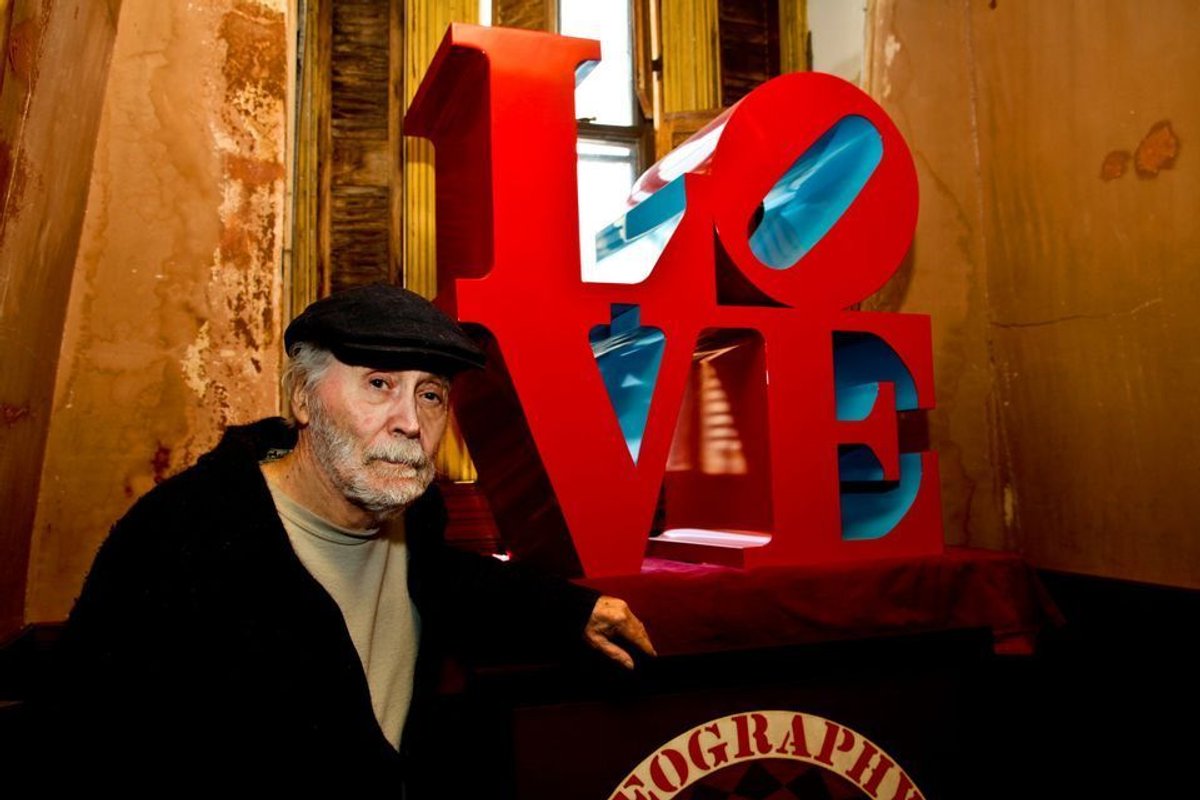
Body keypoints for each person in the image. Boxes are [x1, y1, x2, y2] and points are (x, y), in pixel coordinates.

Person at [42, 284, 654, 784]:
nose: (411, 422)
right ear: (303, 399)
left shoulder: (412, 517)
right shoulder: (179, 545)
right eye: (380, 383)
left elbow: (447, 580)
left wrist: (571, 610)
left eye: (431, 394)